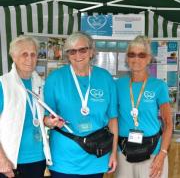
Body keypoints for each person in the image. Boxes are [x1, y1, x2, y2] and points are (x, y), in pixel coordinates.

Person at [43, 31, 118, 178]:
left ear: (91, 52)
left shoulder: (105, 78)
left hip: (96, 156)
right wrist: (50, 122)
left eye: (83, 50)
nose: (78, 55)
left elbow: (113, 119)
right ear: (67, 55)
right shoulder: (55, 79)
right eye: (72, 51)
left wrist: (114, 153)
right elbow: (45, 117)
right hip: (64, 159)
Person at [115, 35, 173, 178]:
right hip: (123, 153)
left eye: (142, 55)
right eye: (132, 54)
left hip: (153, 153)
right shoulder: (117, 85)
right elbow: (112, 119)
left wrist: (162, 154)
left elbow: (168, 123)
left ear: (148, 59)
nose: (136, 59)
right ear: (127, 59)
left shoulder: (159, 86)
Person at [0, 35, 53, 178]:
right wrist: (1, 159)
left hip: (38, 159)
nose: (29, 59)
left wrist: (49, 121)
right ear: (14, 57)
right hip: (11, 161)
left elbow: (38, 119)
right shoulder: (3, 84)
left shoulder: (40, 84)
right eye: (24, 54)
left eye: (33, 54)